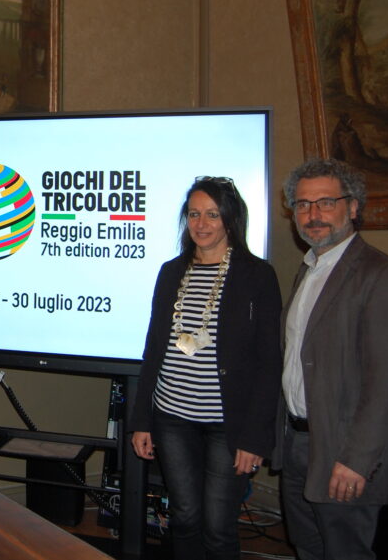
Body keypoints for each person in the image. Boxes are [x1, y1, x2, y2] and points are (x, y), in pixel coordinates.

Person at [130, 176, 282, 560]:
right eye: (194, 214)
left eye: (212, 214)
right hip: (172, 418)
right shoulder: (171, 272)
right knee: (184, 518)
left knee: (218, 527)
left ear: (231, 219)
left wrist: (255, 438)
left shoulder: (258, 276)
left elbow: (269, 363)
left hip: (226, 426)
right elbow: (154, 350)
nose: (201, 224)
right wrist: (142, 420)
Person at [274, 158, 388, 560]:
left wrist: (356, 461)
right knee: (308, 549)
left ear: (353, 207)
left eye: (326, 202)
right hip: (299, 443)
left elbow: (387, 385)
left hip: (343, 454)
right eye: (303, 204)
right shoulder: (309, 270)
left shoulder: (380, 276)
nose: (313, 215)